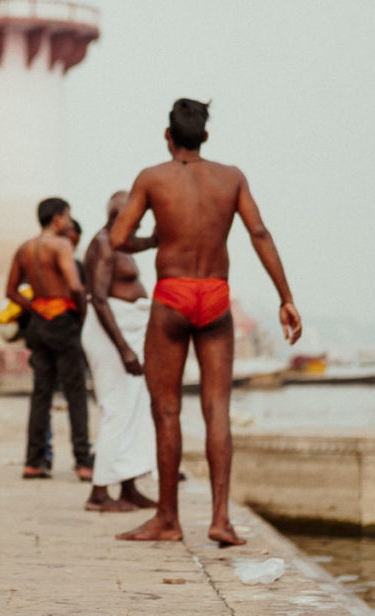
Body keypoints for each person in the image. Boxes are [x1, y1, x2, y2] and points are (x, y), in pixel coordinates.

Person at [110, 99, 302, 546]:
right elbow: (259, 233)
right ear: (206, 137)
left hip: (172, 294)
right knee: (217, 410)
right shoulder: (231, 177)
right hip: (215, 295)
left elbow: (118, 238)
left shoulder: (152, 178)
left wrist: (154, 239)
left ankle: (167, 519)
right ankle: (220, 520)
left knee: (167, 410)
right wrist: (286, 298)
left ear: (168, 134)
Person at [6, 198, 94, 482]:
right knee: (75, 393)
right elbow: (74, 285)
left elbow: (12, 291)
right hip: (63, 321)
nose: (70, 221)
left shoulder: (25, 248)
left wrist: (35, 308)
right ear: (57, 219)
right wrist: (81, 313)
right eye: (68, 216)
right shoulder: (61, 245)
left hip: (38, 324)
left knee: (41, 394)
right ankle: (84, 462)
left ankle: (34, 462)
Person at [82, 191, 158, 512]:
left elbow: (142, 243)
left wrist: (156, 238)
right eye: (136, 215)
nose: (140, 220)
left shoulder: (121, 241)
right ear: (119, 215)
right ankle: (99, 493)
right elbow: (99, 298)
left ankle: (128, 486)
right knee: (116, 408)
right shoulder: (103, 242)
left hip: (129, 330)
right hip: (111, 334)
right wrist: (124, 348)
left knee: (134, 409)